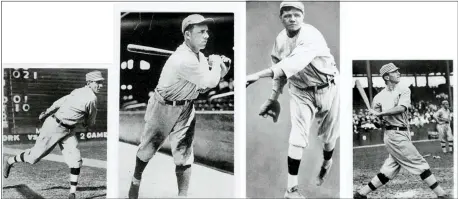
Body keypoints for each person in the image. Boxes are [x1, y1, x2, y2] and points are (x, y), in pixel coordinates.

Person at [127, 14, 230, 199]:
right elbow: (210, 81)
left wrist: (221, 70)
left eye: (207, 31)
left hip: (186, 107)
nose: (206, 35)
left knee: (184, 154)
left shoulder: (197, 58)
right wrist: (215, 65)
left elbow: (205, 87)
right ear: (187, 35)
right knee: (147, 150)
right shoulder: (184, 59)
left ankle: (182, 196)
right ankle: (135, 180)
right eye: (201, 32)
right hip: (163, 107)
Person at [246, 1, 340, 198]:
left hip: (329, 86)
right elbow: (281, 73)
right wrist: (273, 98)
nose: (292, 18)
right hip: (300, 91)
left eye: (296, 14)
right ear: (281, 18)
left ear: (303, 16)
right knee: (297, 137)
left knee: (329, 138)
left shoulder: (310, 35)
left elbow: (292, 63)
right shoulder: (280, 41)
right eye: (287, 15)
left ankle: (326, 162)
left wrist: (257, 75)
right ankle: (291, 191)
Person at [3, 70, 104, 199]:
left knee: (76, 160)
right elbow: (90, 120)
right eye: (98, 83)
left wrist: (47, 111)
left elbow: (60, 102)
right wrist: (86, 123)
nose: (100, 86)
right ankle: (10, 160)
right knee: (33, 158)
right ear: (89, 83)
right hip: (53, 126)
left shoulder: (79, 92)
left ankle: (72, 193)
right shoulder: (90, 97)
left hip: (68, 130)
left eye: (102, 83)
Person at [353, 63, 449, 199]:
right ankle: (441, 194)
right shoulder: (378, 98)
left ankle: (361, 193)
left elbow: (401, 108)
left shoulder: (404, 90)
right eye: (394, 72)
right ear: (386, 76)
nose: (399, 73)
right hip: (393, 135)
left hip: (404, 132)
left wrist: (380, 114)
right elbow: (379, 124)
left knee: (389, 169)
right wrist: (375, 119)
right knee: (419, 162)